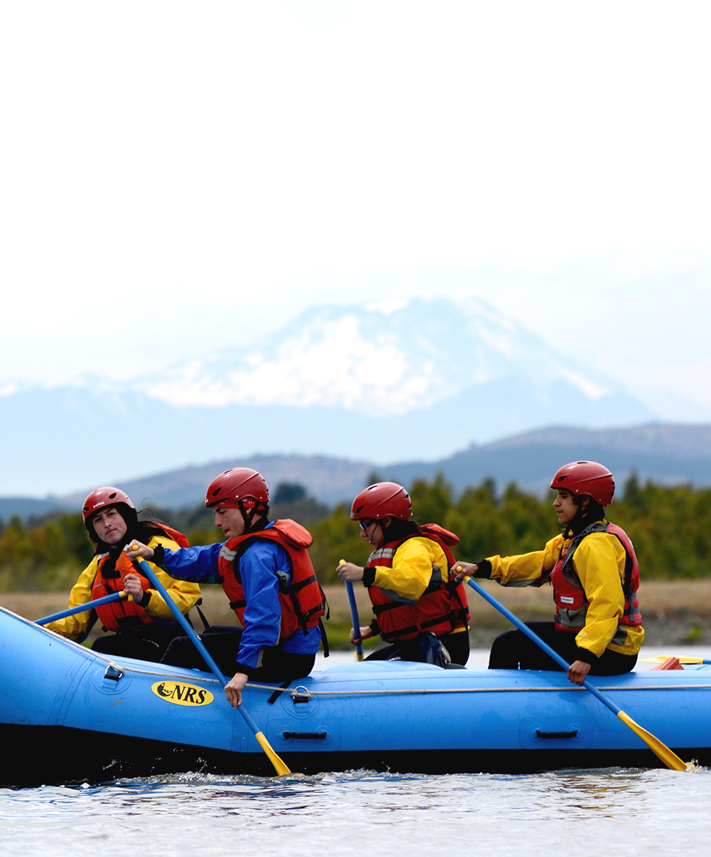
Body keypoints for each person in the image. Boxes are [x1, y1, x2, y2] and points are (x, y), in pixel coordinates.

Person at [126, 468, 326, 709]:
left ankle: (148, 708)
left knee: (182, 647)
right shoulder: (254, 542)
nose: (217, 521)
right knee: (211, 634)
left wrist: (242, 672)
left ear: (249, 506)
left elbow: (264, 617)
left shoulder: (258, 556)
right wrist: (155, 554)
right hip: (289, 650)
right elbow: (202, 558)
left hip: (287, 658)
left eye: (222, 511)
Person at [451, 461, 644, 685]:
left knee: (508, 645)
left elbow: (607, 603)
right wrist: (480, 568)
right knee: (524, 632)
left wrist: (586, 656)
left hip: (611, 650)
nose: (556, 503)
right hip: (591, 639)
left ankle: (501, 707)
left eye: (563, 496)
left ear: (584, 501)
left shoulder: (596, 545)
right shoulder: (574, 539)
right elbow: (535, 563)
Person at [46, 487, 201, 662]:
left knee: (134, 650)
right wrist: (36, 628)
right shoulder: (98, 565)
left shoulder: (157, 548)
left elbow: (185, 596)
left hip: (171, 636)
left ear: (126, 515)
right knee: (100, 648)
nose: (106, 523)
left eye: (111, 514)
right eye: (98, 520)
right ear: (94, 530)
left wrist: (145, 597)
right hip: (131, 637)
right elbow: (75, 621)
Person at [337, 481, 470, 666]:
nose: (362, 534)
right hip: (417, 642)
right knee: (363, 668)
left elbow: (412, 584)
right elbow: (404, 608)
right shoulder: (397, 549)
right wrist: (372, 629)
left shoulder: (415, 547)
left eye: (365, 525)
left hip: (444, 643)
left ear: (387, 521)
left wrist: (365, 574)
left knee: (378, 672)